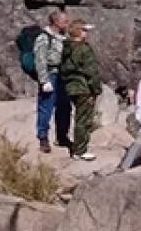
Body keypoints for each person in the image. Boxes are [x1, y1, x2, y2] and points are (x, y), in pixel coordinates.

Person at [60, 21, 102, 161]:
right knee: (84, 119)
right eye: (84, 30)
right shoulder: (84, 49)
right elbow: (91, 72)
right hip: (84, 88)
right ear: (78, 31)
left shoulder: (66, 46)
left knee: (78, 117)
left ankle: (76, 147)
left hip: (71, 86)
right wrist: (95, 90)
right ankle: (80, 150)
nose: (86, 33)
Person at [33, 10, 72, 153]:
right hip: (50, 74)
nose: (67, 23)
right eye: (64, 21)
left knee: (65, 106)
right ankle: (43, 137)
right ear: (55, 22)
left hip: (63, 75)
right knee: (46, 107)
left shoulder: (64, 37)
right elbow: (40, 60)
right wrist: (44, 80)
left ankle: (62, 136)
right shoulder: (43, 38)